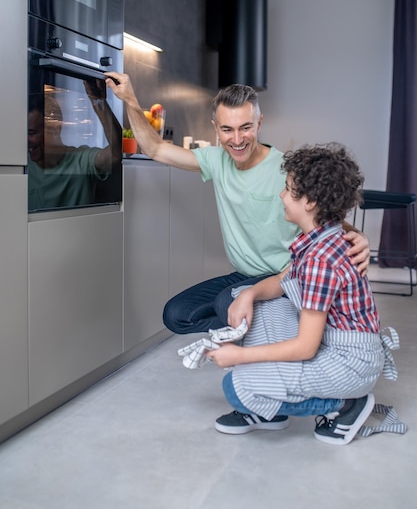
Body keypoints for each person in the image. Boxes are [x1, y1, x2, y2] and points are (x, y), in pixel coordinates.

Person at [105, 73, 370, 334]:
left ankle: (283, 328)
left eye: (246, 127)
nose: (237, 139)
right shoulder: (215, 160)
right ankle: (260, 325)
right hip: (244, 274)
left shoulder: (284, 170)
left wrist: (359, 237)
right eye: (227, 129)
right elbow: (155, 149)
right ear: (215, 127)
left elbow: (327, 219)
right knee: (176, 315)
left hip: (288, 276)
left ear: (259, 123)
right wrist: (130, 100)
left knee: (225, 304)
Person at [205, 143, 399, 445]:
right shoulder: (321, 238)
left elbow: (306, 347)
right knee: (257, 298)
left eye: (287, 188)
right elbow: (280, 282)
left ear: (308, 202)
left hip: (349, 364)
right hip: (334, 344)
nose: (281, 195)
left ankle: (347, 404)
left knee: (238, 386)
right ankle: (273, 398)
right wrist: (249, 295)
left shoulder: (321, 259)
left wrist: (240, 355)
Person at [28, 79, 121, 211]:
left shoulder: (81, 160)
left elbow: (116, 154)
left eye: (31, 133)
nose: (26, 141)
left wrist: (99, 102)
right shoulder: (24, 167)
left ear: (55, 129)